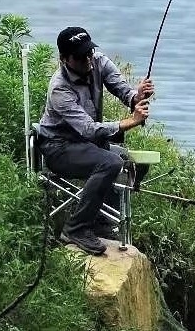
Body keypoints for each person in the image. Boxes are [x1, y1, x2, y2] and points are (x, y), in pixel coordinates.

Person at [38, 26, 154, 255]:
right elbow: (90, 130)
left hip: (87, 145)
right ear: (64, 59)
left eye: (89, 52)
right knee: (109, 163)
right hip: (59, 148)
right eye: (80, 57)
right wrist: (131, 121)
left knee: (134, 163)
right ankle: (76, 228)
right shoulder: (59, 88)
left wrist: (137, 97)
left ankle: (101, 222)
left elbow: (123, 91)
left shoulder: (99, 61)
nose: (88, 59)